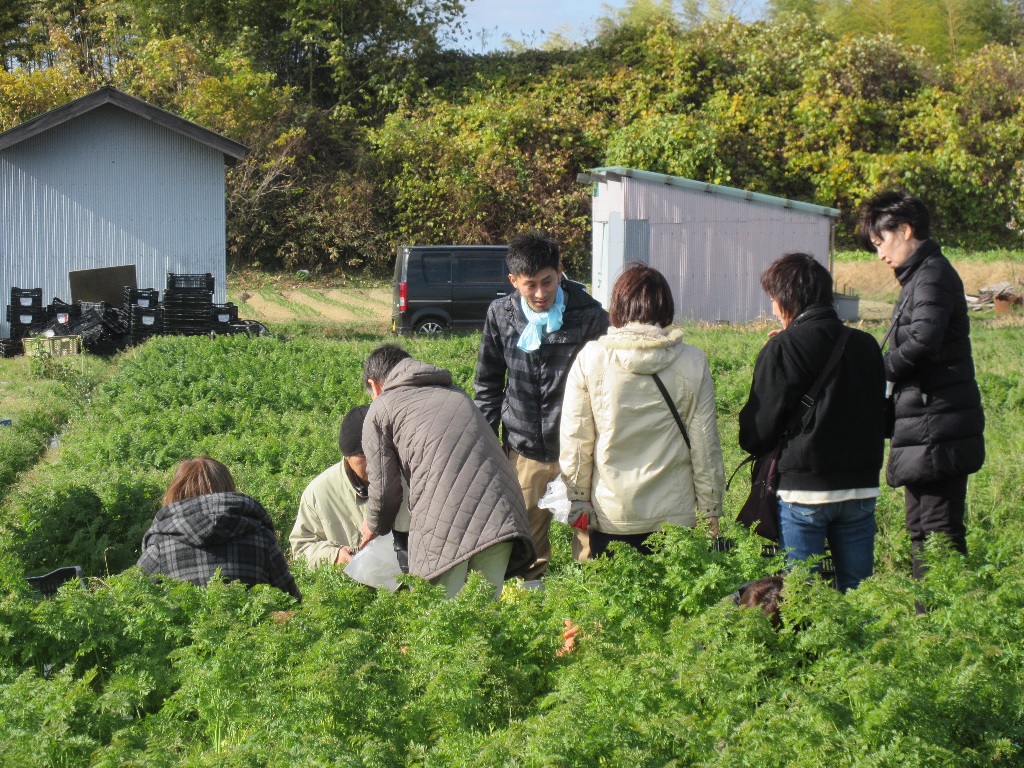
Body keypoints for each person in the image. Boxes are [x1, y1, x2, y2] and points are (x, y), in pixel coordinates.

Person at [738, 253, 886, 593]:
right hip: (860, 487)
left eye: (773, 300)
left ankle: (809, 649)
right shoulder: (865, 346)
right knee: (858, 593)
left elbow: (757, 432)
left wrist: (772, 355)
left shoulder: (783, 348)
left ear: (786, 299)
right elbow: (882, 416)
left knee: (802, 598)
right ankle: (859, 646)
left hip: (803, 492)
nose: (773, 308)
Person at [858, 191, 985, 580]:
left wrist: (874, 370)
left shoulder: (931, 275)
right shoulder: (922, 276)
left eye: (882, 243)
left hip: (937, 425)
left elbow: (923, 342)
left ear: (905, 230)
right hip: (927, 424)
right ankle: (928, 627)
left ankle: (943, 629)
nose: (880, 255)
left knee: (938, 533)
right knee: (922, 530)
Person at [559, 264, 725, 557]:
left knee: (614, 600)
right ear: (666, 308)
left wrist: (578, 500)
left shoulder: (591, 359)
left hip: (612, 513)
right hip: (675, 515)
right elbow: (705, 443)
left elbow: (576, 439)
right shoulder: (693, 361)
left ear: (618, 307)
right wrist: (711, 507)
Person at [474, 231, 609, 577]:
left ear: (560, 271)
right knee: (527, 540)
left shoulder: (589, 315)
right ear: (513, 281)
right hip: (524, 449)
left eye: (548, 282)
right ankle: (532, 605)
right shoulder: (501, 315)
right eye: (530, 284)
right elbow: (488, 383)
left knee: (588, 534)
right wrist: (490, 443)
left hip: (579, 449)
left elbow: (606, 388)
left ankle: (587, 603)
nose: (540, 293)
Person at [359, 344, 535, 598]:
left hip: (445, 520)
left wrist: (373, 525)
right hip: (502, 512)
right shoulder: (454, 392)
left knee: (441, 617)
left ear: (374, 385)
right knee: (486, 615)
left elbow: (386, 492)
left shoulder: (382, 407)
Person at [138, 457, 301, 599]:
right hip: (250, 633)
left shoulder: (160, 547)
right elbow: (291, 600)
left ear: (176, 493)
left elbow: (133, 598)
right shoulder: (260, 537)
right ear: (228, 489)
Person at [289, 405, 410, 569]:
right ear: (346, 456)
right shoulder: (319, 493)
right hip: (355, 588)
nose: (375, 462)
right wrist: (333, 555)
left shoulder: (415, 479)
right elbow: (301, 549)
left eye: (382, 452)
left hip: (418, 586)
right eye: (363, 455)